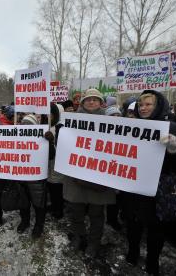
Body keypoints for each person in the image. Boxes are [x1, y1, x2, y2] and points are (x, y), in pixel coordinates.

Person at [123, 90, 176, 275]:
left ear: (158, 105)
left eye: (148, 104)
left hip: (159, 188)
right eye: (140, 105)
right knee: (133, 223)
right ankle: (132, 252)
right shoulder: (130, 125)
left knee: (156, 228)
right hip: (133, 184)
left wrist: (173, 147)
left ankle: (153, 260)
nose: (143, 108)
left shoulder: (171, 127)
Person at [63, 89, 116, 258]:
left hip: (99, 176)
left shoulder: (113, 123)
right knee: (76, 211)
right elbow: (63, 142)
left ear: (101, 103)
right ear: (82, 102)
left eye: (95, 99)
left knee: (97, 214)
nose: (91, 102)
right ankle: (78, 237)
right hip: (76, 175)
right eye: (88, 99)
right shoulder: (71, 121)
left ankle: (93, 243)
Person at [17, 114, 54, 238]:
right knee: (23, 203)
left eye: (29, 125)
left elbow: (50, 156)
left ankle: (39, 225)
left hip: (37, 178)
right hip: (21, 177)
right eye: (24, 125)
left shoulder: (43, 137)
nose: (26, 127)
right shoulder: (15, 138)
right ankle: (25, 222)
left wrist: (50, 141)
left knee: (39, 204)